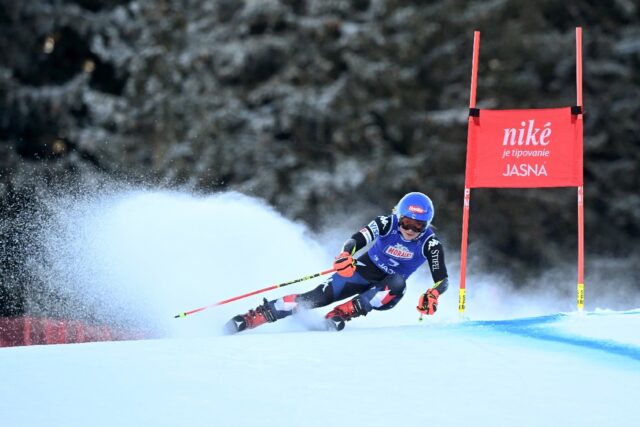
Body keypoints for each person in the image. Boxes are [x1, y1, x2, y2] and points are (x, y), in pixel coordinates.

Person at [225, 192, 449, 333]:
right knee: (316, 298)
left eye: (418, 226)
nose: (410, 230)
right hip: (362, 270)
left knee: (398, 282)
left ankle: (341, 313)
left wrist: (434, 294)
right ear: (398, 216)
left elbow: (442, 279)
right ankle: (256, 316)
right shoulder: (385, 223)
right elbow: (358, 239)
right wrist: (345, 255)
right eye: (406, 222)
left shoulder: (430, 243)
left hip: (388, 289)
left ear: (427, 225)